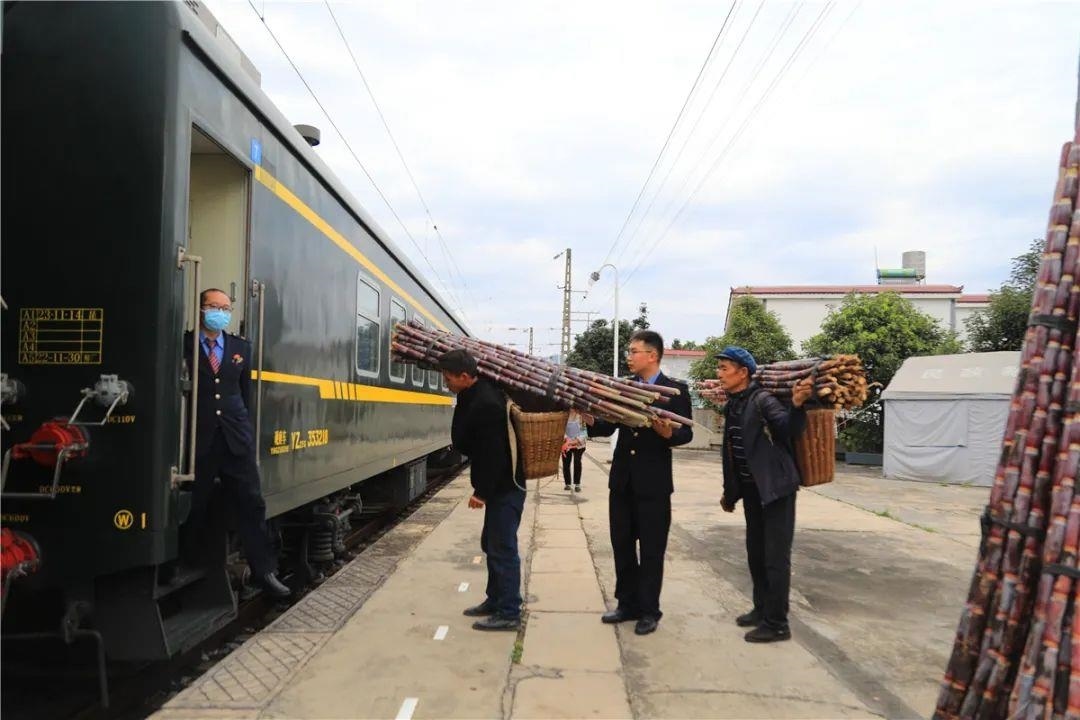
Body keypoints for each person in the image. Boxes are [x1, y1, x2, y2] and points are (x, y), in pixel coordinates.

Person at [584, 330, 693, 635]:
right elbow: (607, 426)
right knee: (621, 544)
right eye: (629, 351)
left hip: (653, 485)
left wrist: (668, 433)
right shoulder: (624, 388)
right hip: (622, 482)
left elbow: (686, 433)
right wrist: (589, 416)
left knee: (652, 549)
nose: (629, 357)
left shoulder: (675, 391)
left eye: (634, 351)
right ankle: (626, 604)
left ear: (652, 355)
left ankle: (649, 610)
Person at [184, 288, 289, 598]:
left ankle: (264, 571)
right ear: (200, 309)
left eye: (225, 308)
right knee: (194, 504)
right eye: (213, 306)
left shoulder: (240, 347)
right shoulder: (185, 344)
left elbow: (245, 394)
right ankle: (184, 563)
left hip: (236, 439)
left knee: (252, 503)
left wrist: (247, 431)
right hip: (199, 438)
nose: (220, 312)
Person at [716, 346, 812, 643]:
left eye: (724, 368)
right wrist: (730, 493)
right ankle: (761, 610)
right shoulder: (734, 404)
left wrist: (797, 405)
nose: (719, 374)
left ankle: (778, 623)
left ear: (743, 372)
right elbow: (731, 453)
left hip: (776, 490)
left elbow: (788, 430)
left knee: (775, 558)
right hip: (752, 491)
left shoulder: (762, 399)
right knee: (756, 554)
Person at [439, 349, 525, 631]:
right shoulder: (472, 394)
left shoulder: (487, 402)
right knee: (491, 543)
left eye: (448, 378)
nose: (446, 384)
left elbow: (494, 455)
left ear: (465, 376)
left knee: (503, 547)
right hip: (500, 485)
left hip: (505, 485)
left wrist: (482, 493)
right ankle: (495, 599)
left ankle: (509, 612)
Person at [562, 409, 587, 492]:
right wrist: (567, 440)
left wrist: (576, 441)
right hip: (566, 443)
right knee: (566, 463)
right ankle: (567, 483)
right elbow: (561, 429)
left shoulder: (581, 416)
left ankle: (577, 484)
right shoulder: (564, 416)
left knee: (577, 462)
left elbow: (584, 432)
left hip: (578, 444)